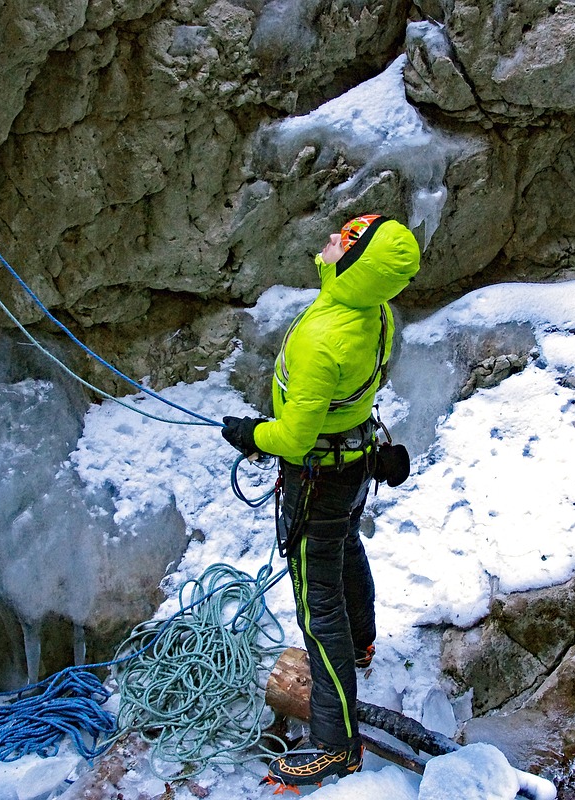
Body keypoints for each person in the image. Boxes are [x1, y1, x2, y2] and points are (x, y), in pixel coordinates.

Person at [221, 214, 420, 786]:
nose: (332, 239)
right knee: (345, 545)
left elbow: (294, 439)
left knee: (317, 606)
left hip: (318, 476)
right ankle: (361, 643)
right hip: (355, 462)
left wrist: (249, 435)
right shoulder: (373, 310)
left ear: (355, 263)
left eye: (345, 239)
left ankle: (336, 745)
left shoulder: (322, 337)